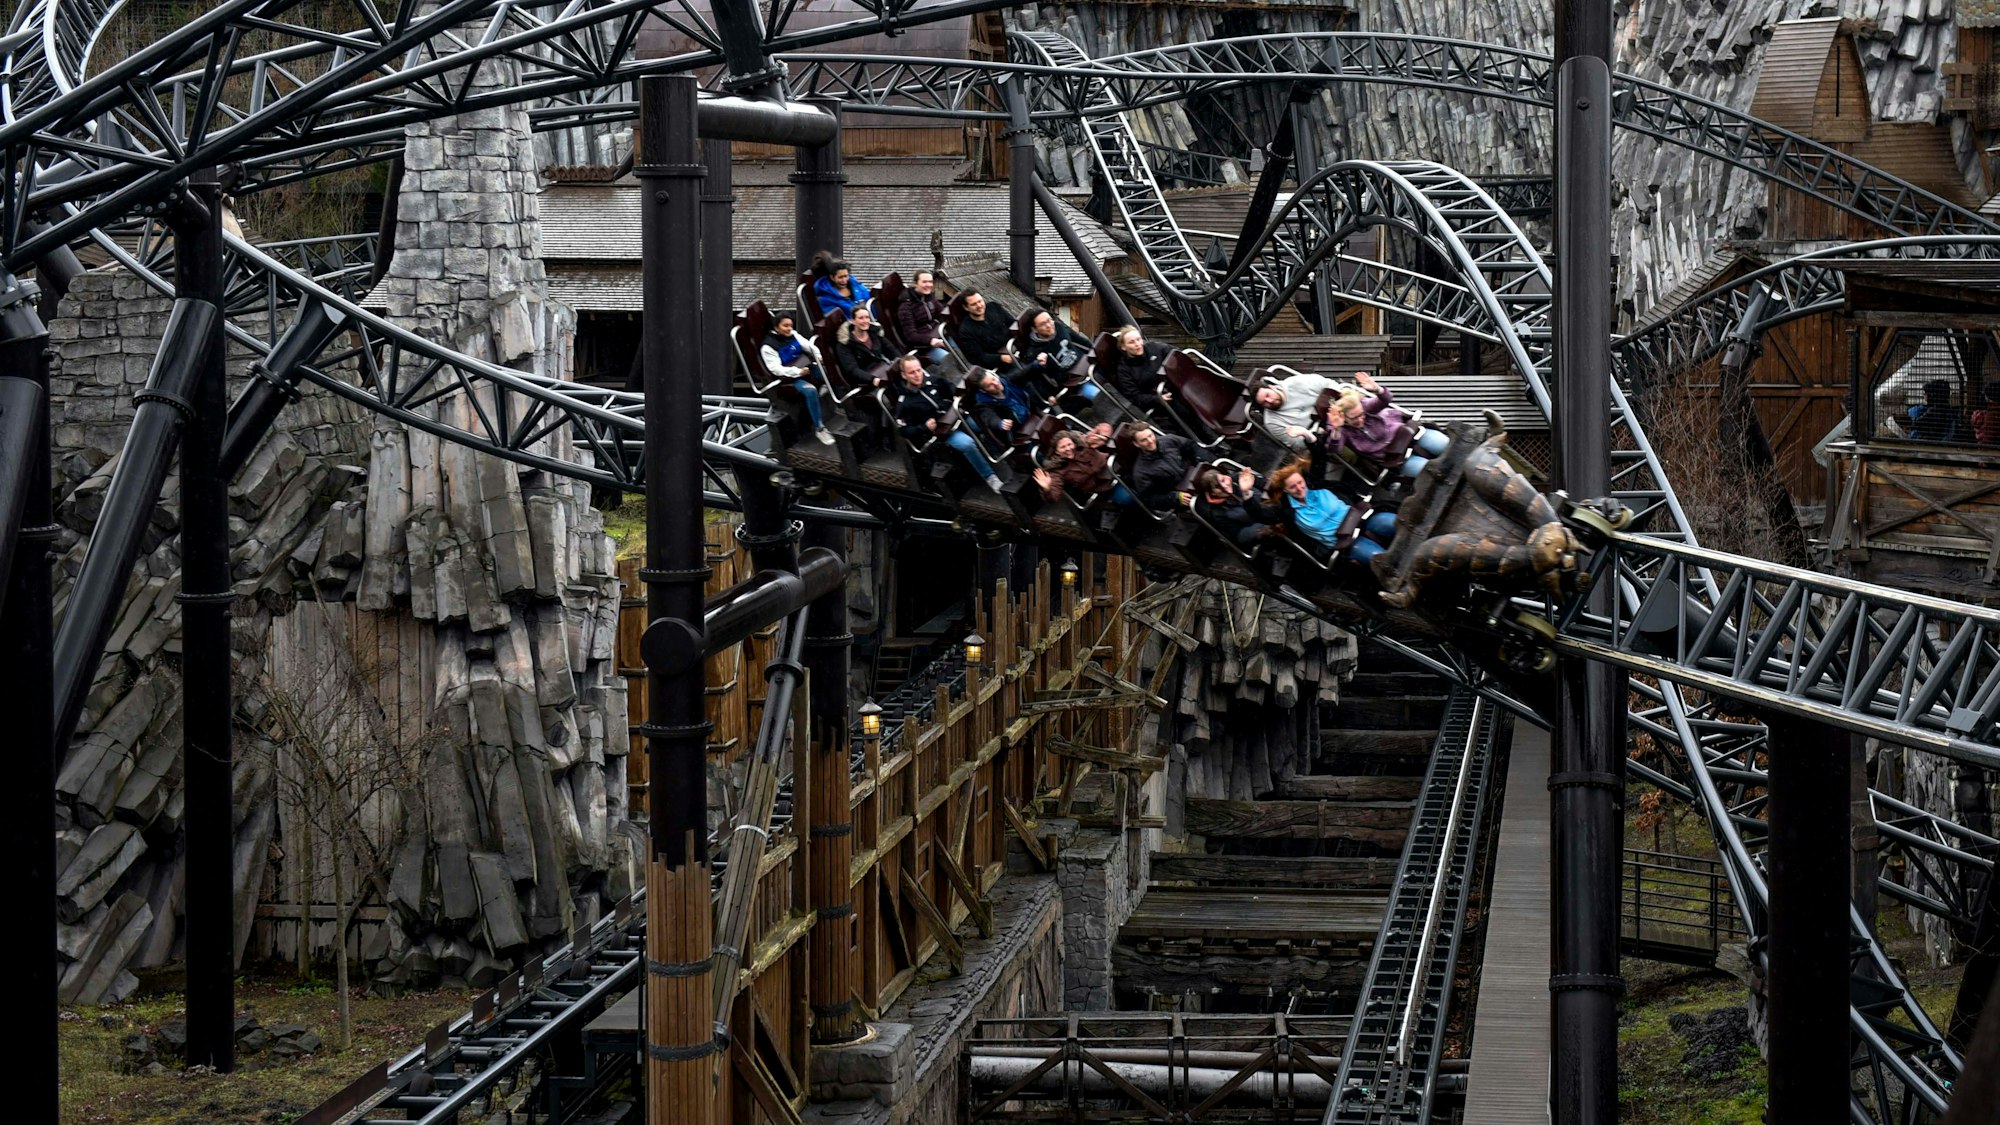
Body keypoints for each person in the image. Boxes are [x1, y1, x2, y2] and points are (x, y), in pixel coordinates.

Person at [892, 354, 1004, 491]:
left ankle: (996, 453)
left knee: (983, 423)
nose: (917, 375)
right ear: (904, 376)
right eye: (912, 373)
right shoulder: (904, 403)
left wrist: (955, 396)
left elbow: (950, 387)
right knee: (967, 443)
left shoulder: (933, 381)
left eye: (919, 370)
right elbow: (904, 430)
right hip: (941, 432)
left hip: (955, 416)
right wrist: (924, 427)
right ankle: (990, 477)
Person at [1322, 371, 1448, 475]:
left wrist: (1377, 389)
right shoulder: (1339, 427)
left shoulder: (1364, 407)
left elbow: (1384, 400)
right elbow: (1334, 450)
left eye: (1361, 415)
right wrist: (1336, 430)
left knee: (1444, 445)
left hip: (1407, 434)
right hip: (1395, 457)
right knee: (1432, 473)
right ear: (1344, 418)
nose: (1360, 419)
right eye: (1354, 418)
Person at [1268, 460, 1396, 563]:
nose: (1299, 488)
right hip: (1346, 541)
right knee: (1379, 558)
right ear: (1286, 490)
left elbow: (1320, 457)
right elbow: (1262, 516)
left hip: (1360, 520)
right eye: (1292, 487)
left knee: (1391, 522)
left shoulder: (1317, 486)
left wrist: (1310, 438)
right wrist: (1247, 496)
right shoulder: (1288, 512)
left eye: (1300, 482)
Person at [759, 312, 834, 444]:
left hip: (804, 367)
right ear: (776, 327)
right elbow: (776, 369)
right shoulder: (768, 346)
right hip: (789, 379)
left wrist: (819, 357)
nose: (789, 328)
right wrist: (797, 372)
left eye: (790, 325)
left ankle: (832, 398)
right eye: (785, 326)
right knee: (810, 391)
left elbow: (809, 346)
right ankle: (820, 429)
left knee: (830, 372)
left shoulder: (793, 334)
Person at [1020, 307, 1099, 403]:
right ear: (1034, 329)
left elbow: (1082, 341)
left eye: (1049, 320)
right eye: (1043, 324)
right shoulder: (1034, 353)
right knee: (1097, 395)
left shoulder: (1059, 327)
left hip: (1088, 364)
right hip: (1074, 381)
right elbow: (1036, 379)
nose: (1049, 325)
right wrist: (1048, 396)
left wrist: (1096, 351)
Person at [1034, 430, 1133, 506]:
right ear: (1056, 451)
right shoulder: (1057, 470)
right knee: (1127, 498)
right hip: (1105, 487)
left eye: (1069, 444)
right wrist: (1047, 489)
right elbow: (1053, 498)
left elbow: (1104, 428)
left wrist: (1103, 436)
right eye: (1063, 447)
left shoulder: (1084, 444)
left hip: (1116, 469)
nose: (1068, 449)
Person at [1188, 464, 1277, 548]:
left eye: (1223, 480)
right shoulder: (1217, 512)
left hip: (1275, 510)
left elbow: (1267, 488)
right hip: (1266, 529)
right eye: (1217, 486)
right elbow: (1239, 535)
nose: (1224, 486)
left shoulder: (1239, 479)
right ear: (1212, 493)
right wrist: (1262, 529)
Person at [1124, 421, 1204, 510]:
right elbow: (1149, 499)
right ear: (1136, 444)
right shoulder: (1141, 472)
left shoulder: (1169, 440)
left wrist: (1209, 462)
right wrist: (1175, 497)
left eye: (1150, 436)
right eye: (1144, 440)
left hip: (1196, 473)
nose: (1150, 441)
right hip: (1181, 492)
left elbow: (1192, 446)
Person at [1253, 369, 1338, 451]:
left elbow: (1331, 384)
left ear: (1272, 387)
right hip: (1326, 435)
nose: (1270, 401)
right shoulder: (1272, 422)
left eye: (1268, 395)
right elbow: (1298, 445)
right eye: (1264, 402)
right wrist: (1313, 433)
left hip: (1338, 408)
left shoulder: (1296, 382)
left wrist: (1324, 405)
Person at [1108, 325, 1174, 417]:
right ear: (1124, 347)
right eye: (1132, 342)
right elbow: (1134, 396)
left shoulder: (1154, 348)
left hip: (1175, 386)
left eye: (1139, 339)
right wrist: (1157, 399)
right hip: (1158, 400)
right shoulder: (1124, 369)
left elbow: (1175, 354)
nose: (1137, 344)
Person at [896, 269, 953, 370]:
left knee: (960, 349)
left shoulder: (929, 297)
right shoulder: (905, 306)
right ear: (915, 284)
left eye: (930, 282)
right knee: (949, 360)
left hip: (939, 335)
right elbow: (910, 336)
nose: (928, 285)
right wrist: (930, 341)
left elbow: (942, 313)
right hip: (924, 346)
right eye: (924, 282)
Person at [951, 291, 1016, 373]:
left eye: (980, 301)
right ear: (966, 308)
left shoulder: (994, 307)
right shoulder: (966, 331)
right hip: (1000, 363)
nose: (979, 306)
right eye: (974, 304)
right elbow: (979, 357)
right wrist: (1001, 358)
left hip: (1014, 347)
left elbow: (1013, 324)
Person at [971, 368, 1035, 447]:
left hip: (1033, 417)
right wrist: (1000, 423)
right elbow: (989, 418)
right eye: (990, 385)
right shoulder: (983, 404)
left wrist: (1036, 364)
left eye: (993, 379)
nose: (996, 383)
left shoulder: (1004, 382)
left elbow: (1021, 373)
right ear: (983, 390)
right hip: (1019, 434)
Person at [835, 306, 895, 389]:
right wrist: (872, 379)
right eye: (861, 318)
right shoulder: (845, 343)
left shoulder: (874, 332)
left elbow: (891, 349)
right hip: (864, 378)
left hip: (882, 369)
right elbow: (852, 370)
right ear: (853, 321)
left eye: (867, 317)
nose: (865, 321)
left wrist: (901, 362)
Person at [811, 251, 870, 317]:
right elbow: (836, 321)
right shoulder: (826, 298)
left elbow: (869, 300)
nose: (844, 280)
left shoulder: (857, 286)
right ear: (832, 277)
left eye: (846, 276)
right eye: (840, 277)